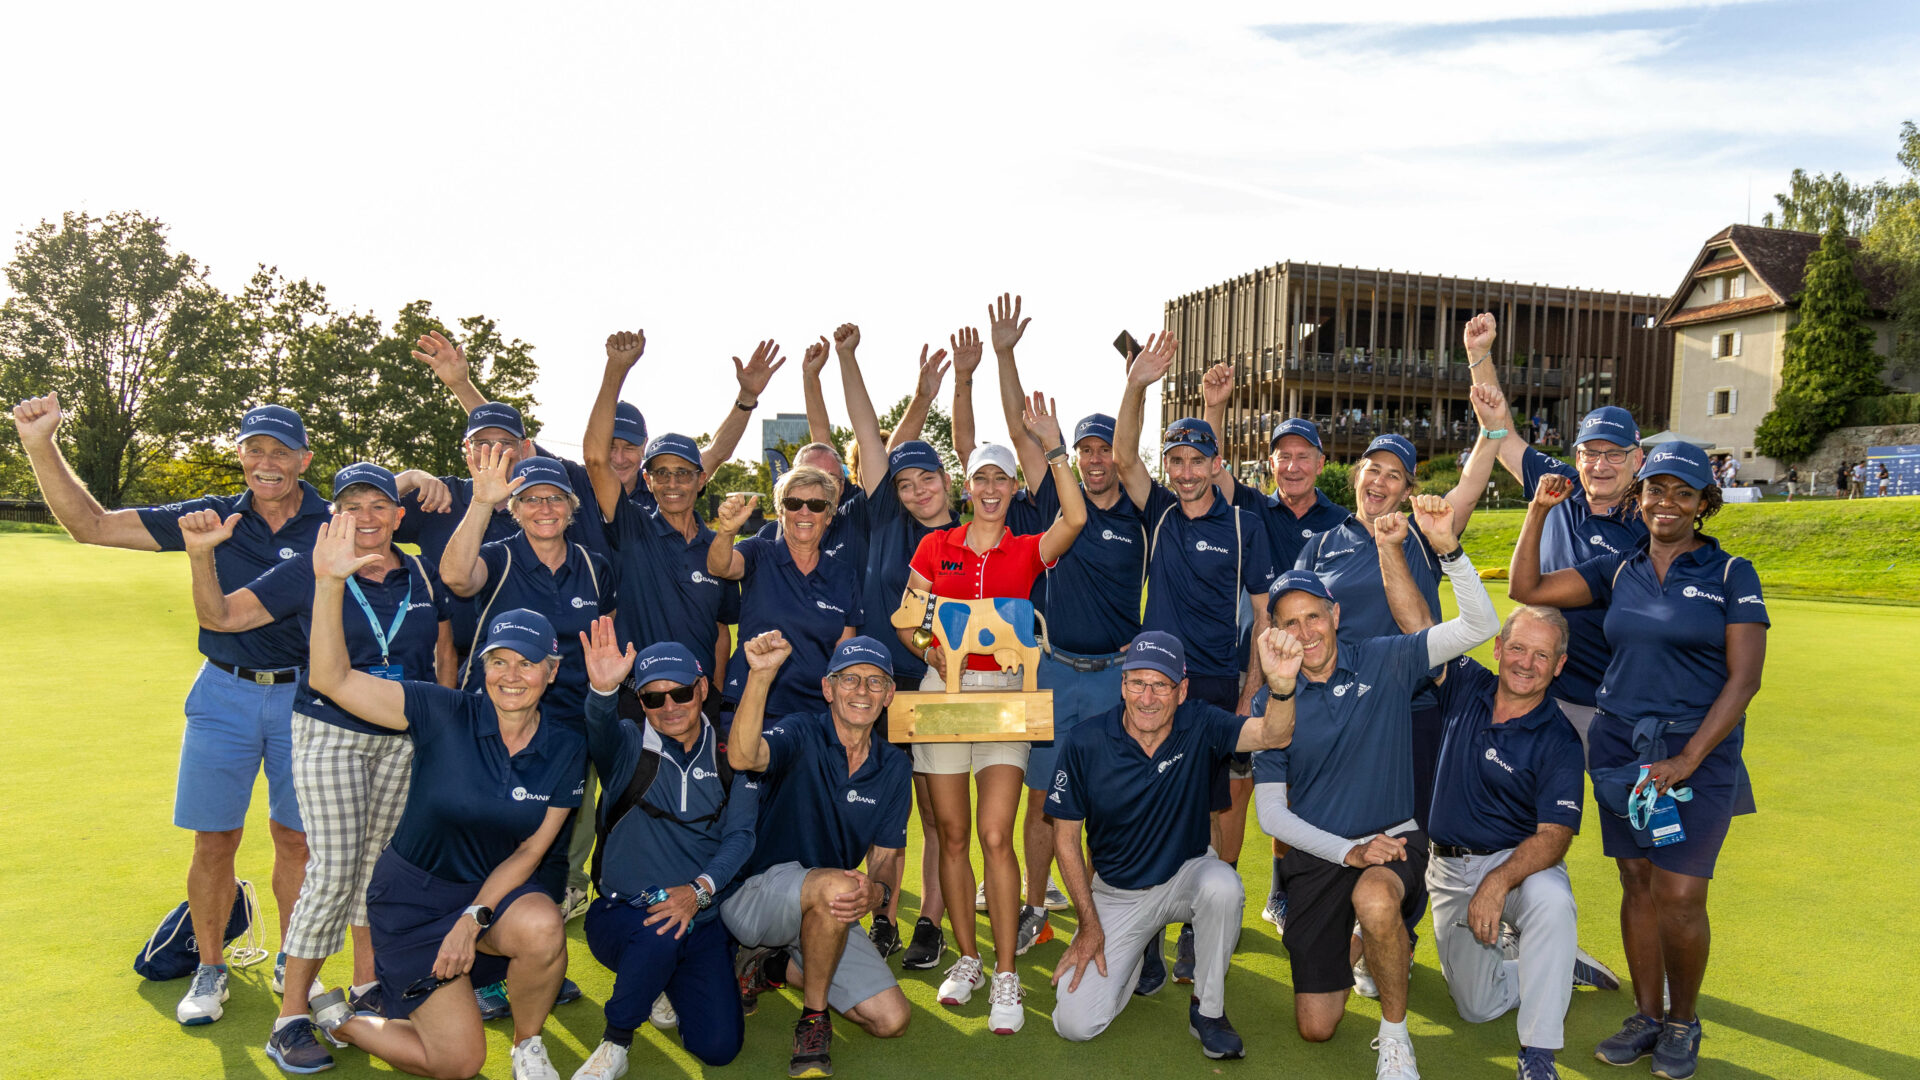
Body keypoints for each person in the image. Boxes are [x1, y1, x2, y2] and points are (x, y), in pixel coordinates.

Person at [11, 396, 376, 1024]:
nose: (267, 464)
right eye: (255, 450)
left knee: (298, 840)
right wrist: (40, 444)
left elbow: (403, 517)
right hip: (223, 692)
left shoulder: (334, 518)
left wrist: (426, 481)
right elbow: (91, 526)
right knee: (215, 840)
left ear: (304, 460)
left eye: (281, 453)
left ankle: (295, 965)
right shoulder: (207, 515)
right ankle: (210, 968)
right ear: (239, 454)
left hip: (307, 697)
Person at [181, 463, 457, 1071]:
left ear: (397, 515)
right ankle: (291, 1018)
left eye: (378, 506)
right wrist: (201, 557)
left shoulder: (421, 573)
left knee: (378, 868)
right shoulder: (309, 565)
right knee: (333, 869)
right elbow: (221, 617)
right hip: (330, 732)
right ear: (335, 514)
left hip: (403, 737)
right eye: (352, 505)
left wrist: (443, 733)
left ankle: (364, 991)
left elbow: (442, 656)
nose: (366, 517)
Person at [1511, 444, 1768, 1079]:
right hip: (1622, 749)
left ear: (1704, 503)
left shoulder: (1732, 572)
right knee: (1637, 882)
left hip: (1696, 754)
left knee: (1680, 892)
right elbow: (1527, 588)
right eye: (1656, 490)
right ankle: (1648, 1015)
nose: (1666, 502)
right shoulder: (1615, 568)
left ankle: (1684, 1020)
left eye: (1683, 492)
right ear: (1639, 497)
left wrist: (1687, 758)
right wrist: (1539, 513)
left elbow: (1744, 680)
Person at [303, 517, 583, 1080]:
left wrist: (472, 918)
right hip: (412, 904)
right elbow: (330, 679)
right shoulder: (441, 710)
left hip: (486, 902)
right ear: (482, 667)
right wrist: (329, 584)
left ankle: (527, 1045)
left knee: (544, 923)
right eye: (499, 660)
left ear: (550, 673)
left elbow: (530, 852)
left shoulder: (566, 746)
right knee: (457, 1064)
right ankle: (342, 1019)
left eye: (528, 662)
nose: (511, 674)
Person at [1252, 496, 1500, 1080]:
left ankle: (1395, 1036)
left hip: (1393, 840)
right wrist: (1347, 851)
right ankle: (1363, 943)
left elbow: (1479, 627)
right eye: (1290, 622)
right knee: (1317, 1025)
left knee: (1376, 899)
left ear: (1336, 614)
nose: (1305, 631)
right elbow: (1269, 815)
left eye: (1314, 615)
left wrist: (1450, 551)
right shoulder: (1274, 699)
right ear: (1275, 633)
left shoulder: (1384, 660)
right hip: (1320, 857)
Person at [898, 400, 1087, 1029]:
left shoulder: (1029, 548)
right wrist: (937, 650)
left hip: (1006, 691)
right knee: (950, 835)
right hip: (943, 690)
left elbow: (1077, 515)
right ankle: (969, 959)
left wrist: (1054, 448)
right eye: (979, 478)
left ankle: (1007, 975)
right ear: (967, 484)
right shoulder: (934, 545)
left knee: (995, 835)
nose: (988, 489)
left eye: (999, 479)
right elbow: (907, 623)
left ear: (1011, 488)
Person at [1048, 630, 1300, 1059]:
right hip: (1117, 894)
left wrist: (1281, 688)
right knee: (1074, 1023)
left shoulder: (1200, 722)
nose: (1147, 697)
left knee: (1223, 886)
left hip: (1185, 876)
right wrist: (1090, 926)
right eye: (1137, 683)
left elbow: (1271, 735)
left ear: (1181, 691)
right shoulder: (1085, 741)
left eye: (1160, 685)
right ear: (1122, 685)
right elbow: (1066, 841)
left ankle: (1208, 1010)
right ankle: (1136, 955)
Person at [1115, 332, 1276, 990]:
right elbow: (1124, 455)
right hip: (1153, 683)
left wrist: (1248, 697)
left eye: (1194, 461)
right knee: (1153, 804)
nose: (1182, 472)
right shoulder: (1157, 512)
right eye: (1174, 460)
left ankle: (1200, 925)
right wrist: (1137, 383)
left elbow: (1265, 615)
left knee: (1222, 809)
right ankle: (1151, 926)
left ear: (1215, 465)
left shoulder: (1243, 526)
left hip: (1216, 686)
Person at [991, 293, 1148, 952]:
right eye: (1082, 450)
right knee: (1040, 798)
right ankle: (1034, 905)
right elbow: (1025, 431)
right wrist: (1005, 355)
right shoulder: (1062, 503)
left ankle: (1120, 906)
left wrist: (1134, 383)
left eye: (1102, 448)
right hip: (1053, 671)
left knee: (1113, 798)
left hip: (1115, 675)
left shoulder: (1140, 509)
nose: (1092, 459)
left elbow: (1136, 440)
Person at [1425, 607, 1621, 1080]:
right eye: (1517, 648)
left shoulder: (1560, 739)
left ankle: (1537, 1054)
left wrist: (1498, 880)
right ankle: (1558, 964)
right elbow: (1419, 628)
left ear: (1558, 665)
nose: (1526, 663)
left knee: (1553, 903)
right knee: (1476, 1006)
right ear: (1497, 649)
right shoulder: (1466, 684)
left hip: (1519, 865)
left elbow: (1554, 837)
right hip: (1449, 870)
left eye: (1541, 654)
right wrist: (1398, 546)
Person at [827, 323, 967, 970]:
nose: (915, 490)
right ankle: (882, 913)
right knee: (883, 809)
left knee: (940, 815)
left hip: (939, 689)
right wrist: (849, 359)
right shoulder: (885, 517)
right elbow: (862, 428)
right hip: (879, 690)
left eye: (925, 479)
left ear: (946, 480)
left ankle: (931, 921)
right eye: (906, 481)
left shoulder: (972, 538)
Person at [440, 451, 616, 942]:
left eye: (555, 498)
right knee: (491, 836)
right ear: (513, 508)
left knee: (552, 843)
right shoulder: (498, 556)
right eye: (530, 499)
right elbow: (456, 577)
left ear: (571, 506)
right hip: (498, 725)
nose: (544, 507)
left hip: (567, 730)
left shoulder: (594, 566)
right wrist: (480, 503)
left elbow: (605, 639)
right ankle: (477, 951)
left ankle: (538, 949)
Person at [572, 621, 759, 1080]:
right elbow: (599, 728)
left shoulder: (733, 749)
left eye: (679, 692)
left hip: (702, 917)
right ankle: (616, 1041)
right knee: (660, 931)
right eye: (653, 698)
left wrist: (697, 892)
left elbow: (742, 837)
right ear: (641, 703)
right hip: (623, 915)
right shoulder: (627, 746)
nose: (668, 706)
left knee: (718, 1048)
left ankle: (662, 980)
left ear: (700, 687)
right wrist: (600, 690)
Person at [1199, 370, 1348, 937]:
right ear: (1272, 464)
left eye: (1302, 455)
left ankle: (1286, 889)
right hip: (1261, 666)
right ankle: (1225, 894)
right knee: (1241, 782)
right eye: (1282, 456)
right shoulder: (1253, 509)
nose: (1292, 465)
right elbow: (1211, 470)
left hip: (1322, 669)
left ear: (1319, 460)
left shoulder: (1342, 520)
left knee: (1303, 783)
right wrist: (1215, 407)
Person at [725, 633, 913, 1079]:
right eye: (849, 679)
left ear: (889, 695)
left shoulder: (894, 766)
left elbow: (886, 856)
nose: (861, 691)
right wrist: (761, 676)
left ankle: (769, 965)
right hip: (756, 898)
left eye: (874, 681)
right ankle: (813, 1022)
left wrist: (878, 892)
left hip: (828, 908)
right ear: (828, 689)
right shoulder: (801, 731)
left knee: (890, 1019)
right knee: (839, 886)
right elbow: (743, 754)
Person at [1468, 341, 1651, 749]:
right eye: (1589, 453)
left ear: (1638, 459)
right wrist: (1478, 355)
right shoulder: (1560, 485)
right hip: (1540, 691)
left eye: (1614, 455)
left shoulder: (1649, 526)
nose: (1599, 465)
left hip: (1609, 704)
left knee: (1617, 806)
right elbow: (1502, 434)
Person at [584, 331, 775, 699]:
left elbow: (721, 632)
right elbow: (595, 459)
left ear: (701, 479)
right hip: (637, 697)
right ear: (648, 480)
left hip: (695, 699)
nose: (673, 483)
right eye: (661, 474)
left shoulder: (716, 550)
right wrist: (616, 369)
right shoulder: (631, 526)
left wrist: (714, 697)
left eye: (683, 473)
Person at [708, 464, 863, 717]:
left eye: (816, 505)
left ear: (829, 515)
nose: (804, 512)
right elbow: (720, 566)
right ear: (781, 513)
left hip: (814, 716)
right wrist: (726, 531)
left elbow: (844, 656)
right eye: (793, 503)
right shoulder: (758, 552)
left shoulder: (843, 576)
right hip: (751, 709)